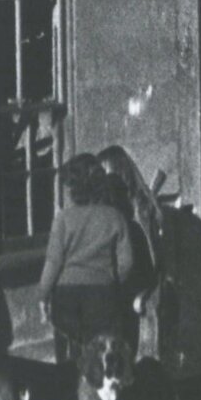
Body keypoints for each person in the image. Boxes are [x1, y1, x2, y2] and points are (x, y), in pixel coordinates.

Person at [37, 153, 135, 363]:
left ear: (72, 190)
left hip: (66, 297)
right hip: (102, 296)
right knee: (102, 353)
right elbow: (127, 263)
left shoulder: (63, 219)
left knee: (72, 347)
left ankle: (72, 380)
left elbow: (53, 262)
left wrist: (43, 295)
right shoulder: (115, 217)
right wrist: (112, 281)